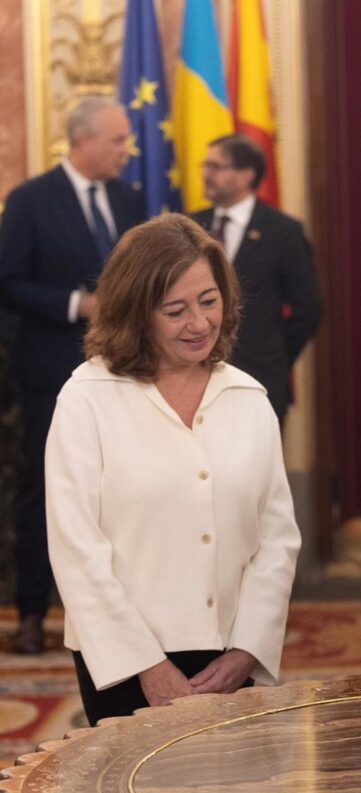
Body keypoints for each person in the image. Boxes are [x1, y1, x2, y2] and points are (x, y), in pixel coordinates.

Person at [44, 214, 302, 724]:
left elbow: (277, 541)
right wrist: (147, 665)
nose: (200, 323)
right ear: (136, 313)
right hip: (121, 660)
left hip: (231, 657)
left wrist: (247, 651)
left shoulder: (249, 399)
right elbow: (76, 549)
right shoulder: (85, 399)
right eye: (175, 310)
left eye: (209, 301)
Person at [0, 95, 145, 654]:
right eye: (117, 141)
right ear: (84, 141)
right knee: (44, 491)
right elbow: (8, 281)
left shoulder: (130, 200)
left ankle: (124, 612)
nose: (127, 151)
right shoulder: (31, 200)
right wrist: (74, 305)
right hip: (49, 372)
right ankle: (33, 613)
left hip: (125, 372)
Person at [192, 134, 322, 425]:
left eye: (215, 166)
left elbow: (308, 310)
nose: (205, 173)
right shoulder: (189, 226)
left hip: (260, 379)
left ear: (246, 175)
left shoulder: (283, 231)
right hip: (193, 379)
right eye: (205, 165)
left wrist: (274, 356)